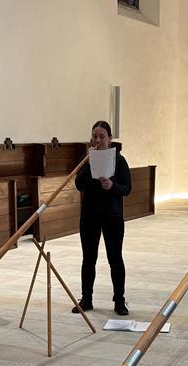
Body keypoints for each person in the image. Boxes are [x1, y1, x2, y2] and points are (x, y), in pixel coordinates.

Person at [73, 120, 132, 315]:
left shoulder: (119, 160)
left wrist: (112, 186)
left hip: (112, 216)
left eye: (102, 137)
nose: (97, 140)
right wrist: (87, 165)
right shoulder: (87, 159)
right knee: (88, 259)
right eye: (94, 137)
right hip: (89, 216)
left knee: (115, 259)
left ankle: (119, 301)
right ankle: (86, 299)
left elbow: (127, 188)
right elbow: (79, 184)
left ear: (110, 139)